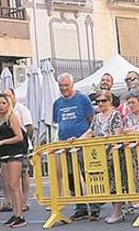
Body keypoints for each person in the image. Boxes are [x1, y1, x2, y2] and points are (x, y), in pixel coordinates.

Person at [53, 73, 96, 221]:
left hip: (82, 143)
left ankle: (94, 205)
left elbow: (91, 120)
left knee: (88, 173)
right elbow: (58, 123)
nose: (64, 88)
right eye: (61, 86)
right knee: (71, 175)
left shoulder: (82, 99)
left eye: (66, 85)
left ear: (72, 85)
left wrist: (86, 137)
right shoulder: (57, 103)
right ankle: (80, 206)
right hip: (65, 144)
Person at [79, 90, 125, 223]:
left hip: (113, 154)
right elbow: (90, 132)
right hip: (99, 156)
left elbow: (117, 133)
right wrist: (77, 140)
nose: (100, 104)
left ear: (110, 101)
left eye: (103, 101)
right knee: (107, 183)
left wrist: (107, 140)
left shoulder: (115, 115)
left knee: (116, 182)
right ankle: (115, 211)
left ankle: (118, 212)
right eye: (98, 101)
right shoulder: (97, 117)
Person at [0, 94, 28, 228]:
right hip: (4, 155)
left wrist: (2, 142)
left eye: (3, 103)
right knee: (8, 186)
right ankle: (15, 213)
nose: (1, 106)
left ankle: (20, 215)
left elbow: (19, 137)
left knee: (14, 184)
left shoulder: (12, 117)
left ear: (9, 105)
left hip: (15, 153)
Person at [4, 88, 33, 211]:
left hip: (22, 146)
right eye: (5, 96)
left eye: (9, 95)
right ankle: (15, 201)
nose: (7, 98)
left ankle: (25, 200)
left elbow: (30, 127)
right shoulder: (5, 112)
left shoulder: (21, 109)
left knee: (23, 173)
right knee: (11, 176)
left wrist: (25, 144)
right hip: (9, 149)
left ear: (14, 96)